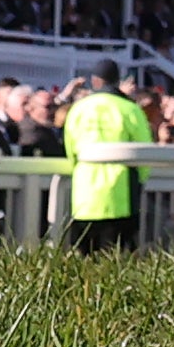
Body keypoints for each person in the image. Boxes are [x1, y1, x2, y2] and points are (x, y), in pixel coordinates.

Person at [62, 64, 153, 256]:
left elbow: (71, 149)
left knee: (84, 260)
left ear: (95, 80)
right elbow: (144, 151)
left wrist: (76, 171)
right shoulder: (130, 109)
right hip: (121, 196)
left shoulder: (79, 108)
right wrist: (141, 180)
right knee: (116, 260)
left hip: (84, 195)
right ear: (117, 80)